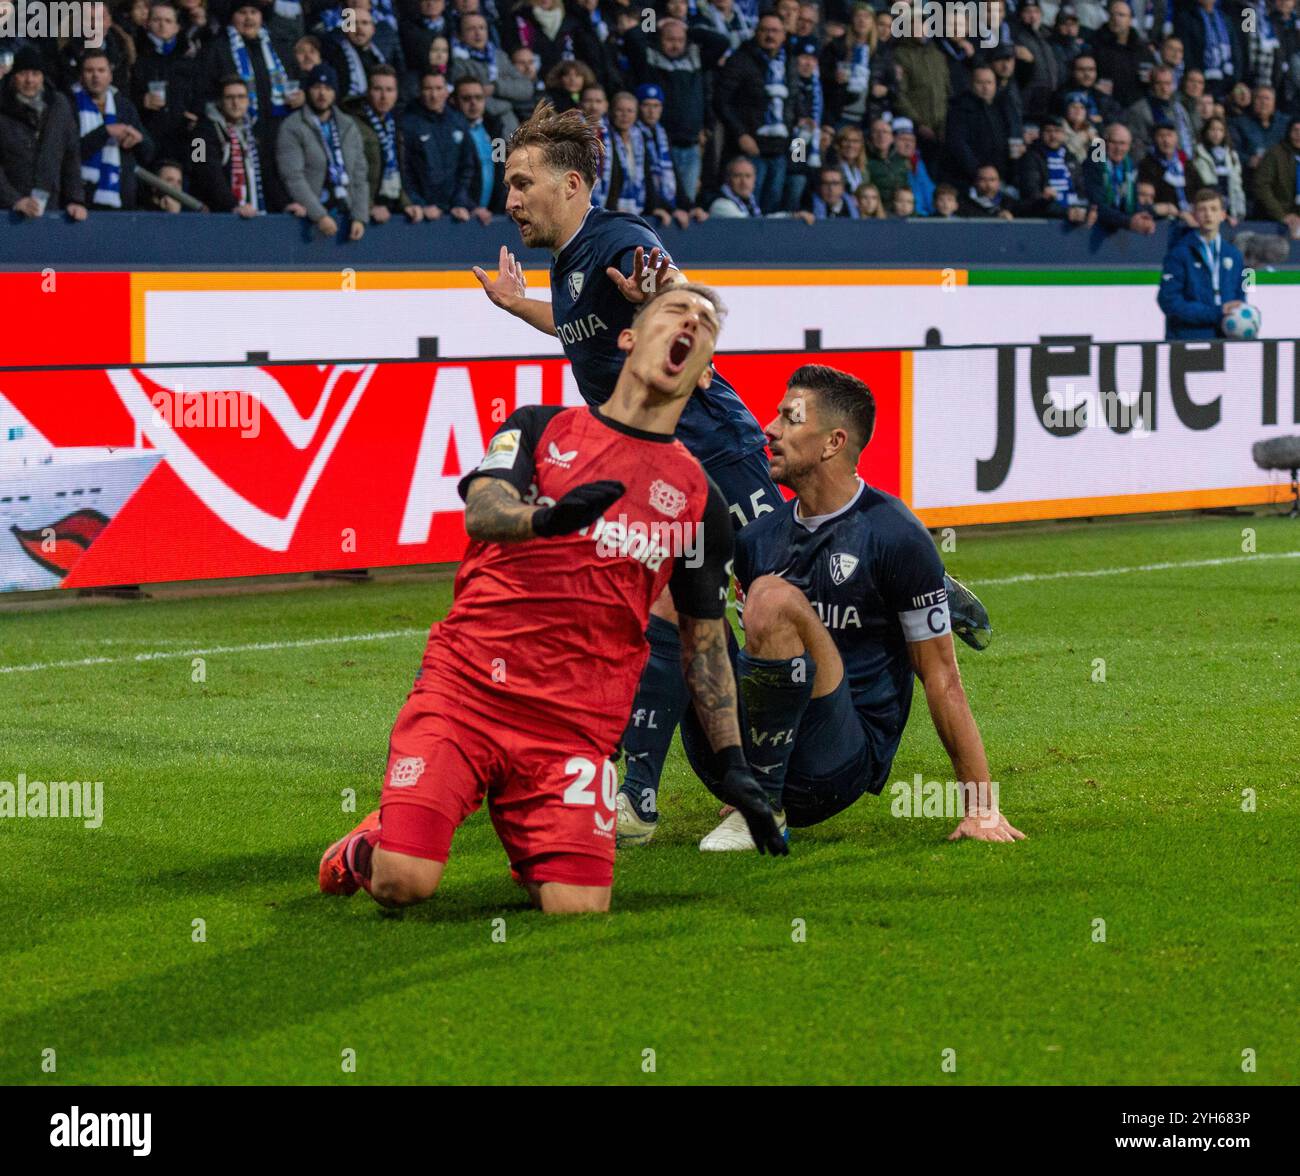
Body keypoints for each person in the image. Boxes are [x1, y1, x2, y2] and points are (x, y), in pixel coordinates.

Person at [318, 284, 787, 915]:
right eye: (675, 312)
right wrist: (543, 522)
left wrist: (732, 760)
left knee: (577, 908)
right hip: (469, 692)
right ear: (629, 337)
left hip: (574, 729)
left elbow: (703, 641)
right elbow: (482, 510)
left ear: (705, 370)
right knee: (406, 883)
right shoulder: (540, 428)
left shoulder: (698, 498)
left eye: (704, 326)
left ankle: (530, 834)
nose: (690, 324)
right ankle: (368, 845)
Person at [471, 104, 784, 844]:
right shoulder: (571, 261)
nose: (508, 200)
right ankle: (640, 795)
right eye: (507, 185)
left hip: (711, 448)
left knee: (776, 602)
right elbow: (580, 326)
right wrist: (521, 307)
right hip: (656, 467)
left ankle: (753, 794)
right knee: (666, 621)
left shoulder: (620, 239)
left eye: (521, 184)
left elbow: (701, 305)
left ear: (572, 183)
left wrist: (668, 306)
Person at [666, 364, 1023, 851]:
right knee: (674, 591)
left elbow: (941, 676)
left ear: (833, 442)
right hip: (735, 761)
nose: (769, 429)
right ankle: (634, 790)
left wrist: (981, 808)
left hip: (838, 761)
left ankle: (764, 809)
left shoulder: (895, 534)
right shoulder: (758, 539)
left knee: (771, 597)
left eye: (790, 418)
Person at [276, 62, 368, 238]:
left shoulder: (348, 126)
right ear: (308, 90)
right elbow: (293, 176)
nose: (322, 93)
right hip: (310, 218)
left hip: (347, 215)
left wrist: (359, 216)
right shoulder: (293, 126)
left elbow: (359, 175)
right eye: (317, 87)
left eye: (328, 88)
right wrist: (319, 215)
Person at [714, 11, 794, 213]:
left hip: (779, 149)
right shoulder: (740, 60)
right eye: (765, 30)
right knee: (749, 203)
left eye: (775, 31)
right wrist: (740, 134)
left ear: (783, 35)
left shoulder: (788, 62)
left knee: (774, 203)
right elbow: (721, 101)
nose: (770, 35)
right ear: (756, 33)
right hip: (750, 148)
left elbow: (792, 101)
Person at [0, 46, 87, 219]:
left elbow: (71, 155)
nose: (30, 80)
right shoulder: (3, 109)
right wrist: (14, 200)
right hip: (6, 212)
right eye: (23, 73)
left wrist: (75, 199)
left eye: (35, 74)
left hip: (50, 207)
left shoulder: (59, 106)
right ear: (13, 77)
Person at [191, 73, 290, 213]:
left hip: (253, 213)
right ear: (220, 101)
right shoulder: (200, 134)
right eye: (229, 97)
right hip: (217, 217)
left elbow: (267, 173)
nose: (236, 103)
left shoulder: (254, 131)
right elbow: (205, 172)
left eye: (241, 97)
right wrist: (232, 205)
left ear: (248, 101)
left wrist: (285, 204)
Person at [1157, 187, 1246, 338]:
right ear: (1194, 215)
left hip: (1224, 338)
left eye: (1213, 209)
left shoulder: (1234, 254)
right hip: (1187, 339)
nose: (1208, 214)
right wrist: (1216, 312)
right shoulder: (1179, 253)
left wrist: (1245, 311)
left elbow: (1245, 286)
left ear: (1223, 215)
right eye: (1202, 209)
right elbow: (1168, 301)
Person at [74, 48, 155, 210]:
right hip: (83, 200)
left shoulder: (124, 107)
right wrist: (106, 132)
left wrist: (138, 140)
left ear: (110, 75)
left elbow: (148, 152)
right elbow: (71, 151)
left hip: (121, 198)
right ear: (81, 76)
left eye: (101, 70)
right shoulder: (70, 105)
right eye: (90, 71)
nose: (96, 76)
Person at [347, 64, 424, 224]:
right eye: (378, 89)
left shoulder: (393, 125)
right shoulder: (351, 124)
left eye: (389, 90)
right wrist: (367, 206)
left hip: (385, 208)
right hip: (358, 212)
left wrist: (406, 203)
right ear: (368, 91)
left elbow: (395, 170)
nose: (384, 96)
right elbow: (349, 172)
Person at [400, 69, 476, 220]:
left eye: (438, 88)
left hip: (453, 212)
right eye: (428, 89)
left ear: (447, 91)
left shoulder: (458, 122)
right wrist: (419, 203)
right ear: (420, 91)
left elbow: (466, 167)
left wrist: (459, 203)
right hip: (421, 214)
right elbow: (404, 171)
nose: (434, 95)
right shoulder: (407, 124)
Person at [1084, 120, 1155, 231]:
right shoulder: (1094, 164)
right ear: (1105, 143)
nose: (1118, 148)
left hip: (1118, 226)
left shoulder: (1130, 166)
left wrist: (1142, 215)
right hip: (1097, 229)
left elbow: (1133, 201)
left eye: (1123, 143)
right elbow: (1098, 205)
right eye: (1114, 142)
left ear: (1129, 145)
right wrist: (1128, 221)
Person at [1253, 114, 1300, 236]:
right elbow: (1262, 186)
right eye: (1295, 130)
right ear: (1288, 131)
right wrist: (1281, 215)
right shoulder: (1274, 154)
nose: (1298, 135)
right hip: (1276, 220)